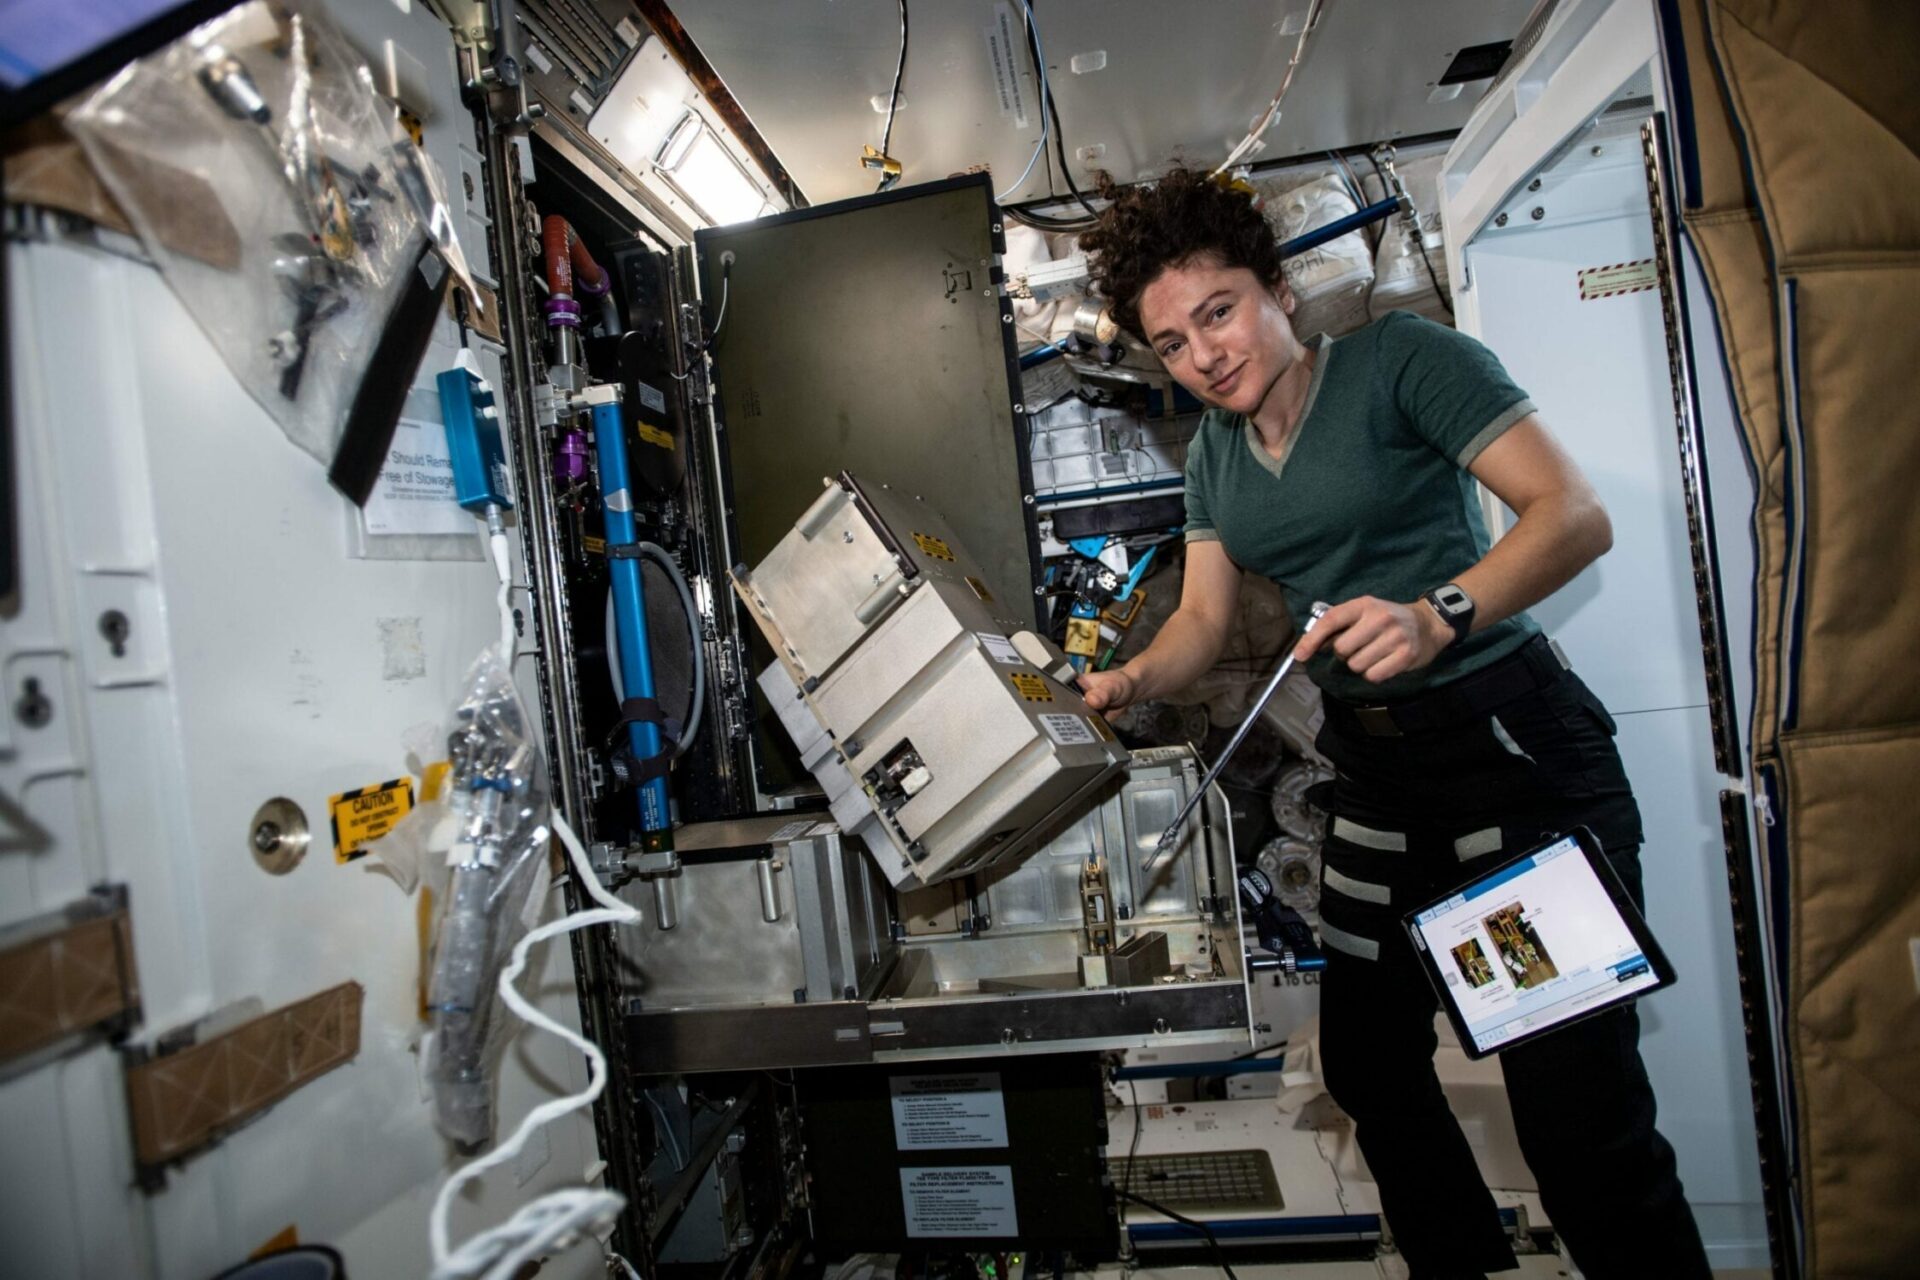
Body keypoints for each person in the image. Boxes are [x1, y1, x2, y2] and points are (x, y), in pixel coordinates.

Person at [1074, 169, 1710, 1279]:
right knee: (1370, 1066)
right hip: (1377, 773)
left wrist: (1436, 614)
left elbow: (1573, 514)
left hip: (1507, 757)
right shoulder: (1217, 458)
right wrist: (1131, 682)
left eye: (1217, 311)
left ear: (1275, 288)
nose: (1205, 353)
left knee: (1570, 1107)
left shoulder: (1403, 363)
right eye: (1172, 342)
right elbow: (1201, 621)